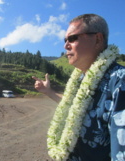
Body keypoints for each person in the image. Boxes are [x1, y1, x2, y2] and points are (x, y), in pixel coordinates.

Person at [32, 14, 125, 161]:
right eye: (65, 40)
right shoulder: (81, 78)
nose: (65, 45)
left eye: (72, 38)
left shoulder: (120, 80)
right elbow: (75, 105)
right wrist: (48, 92)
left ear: (98, 39)